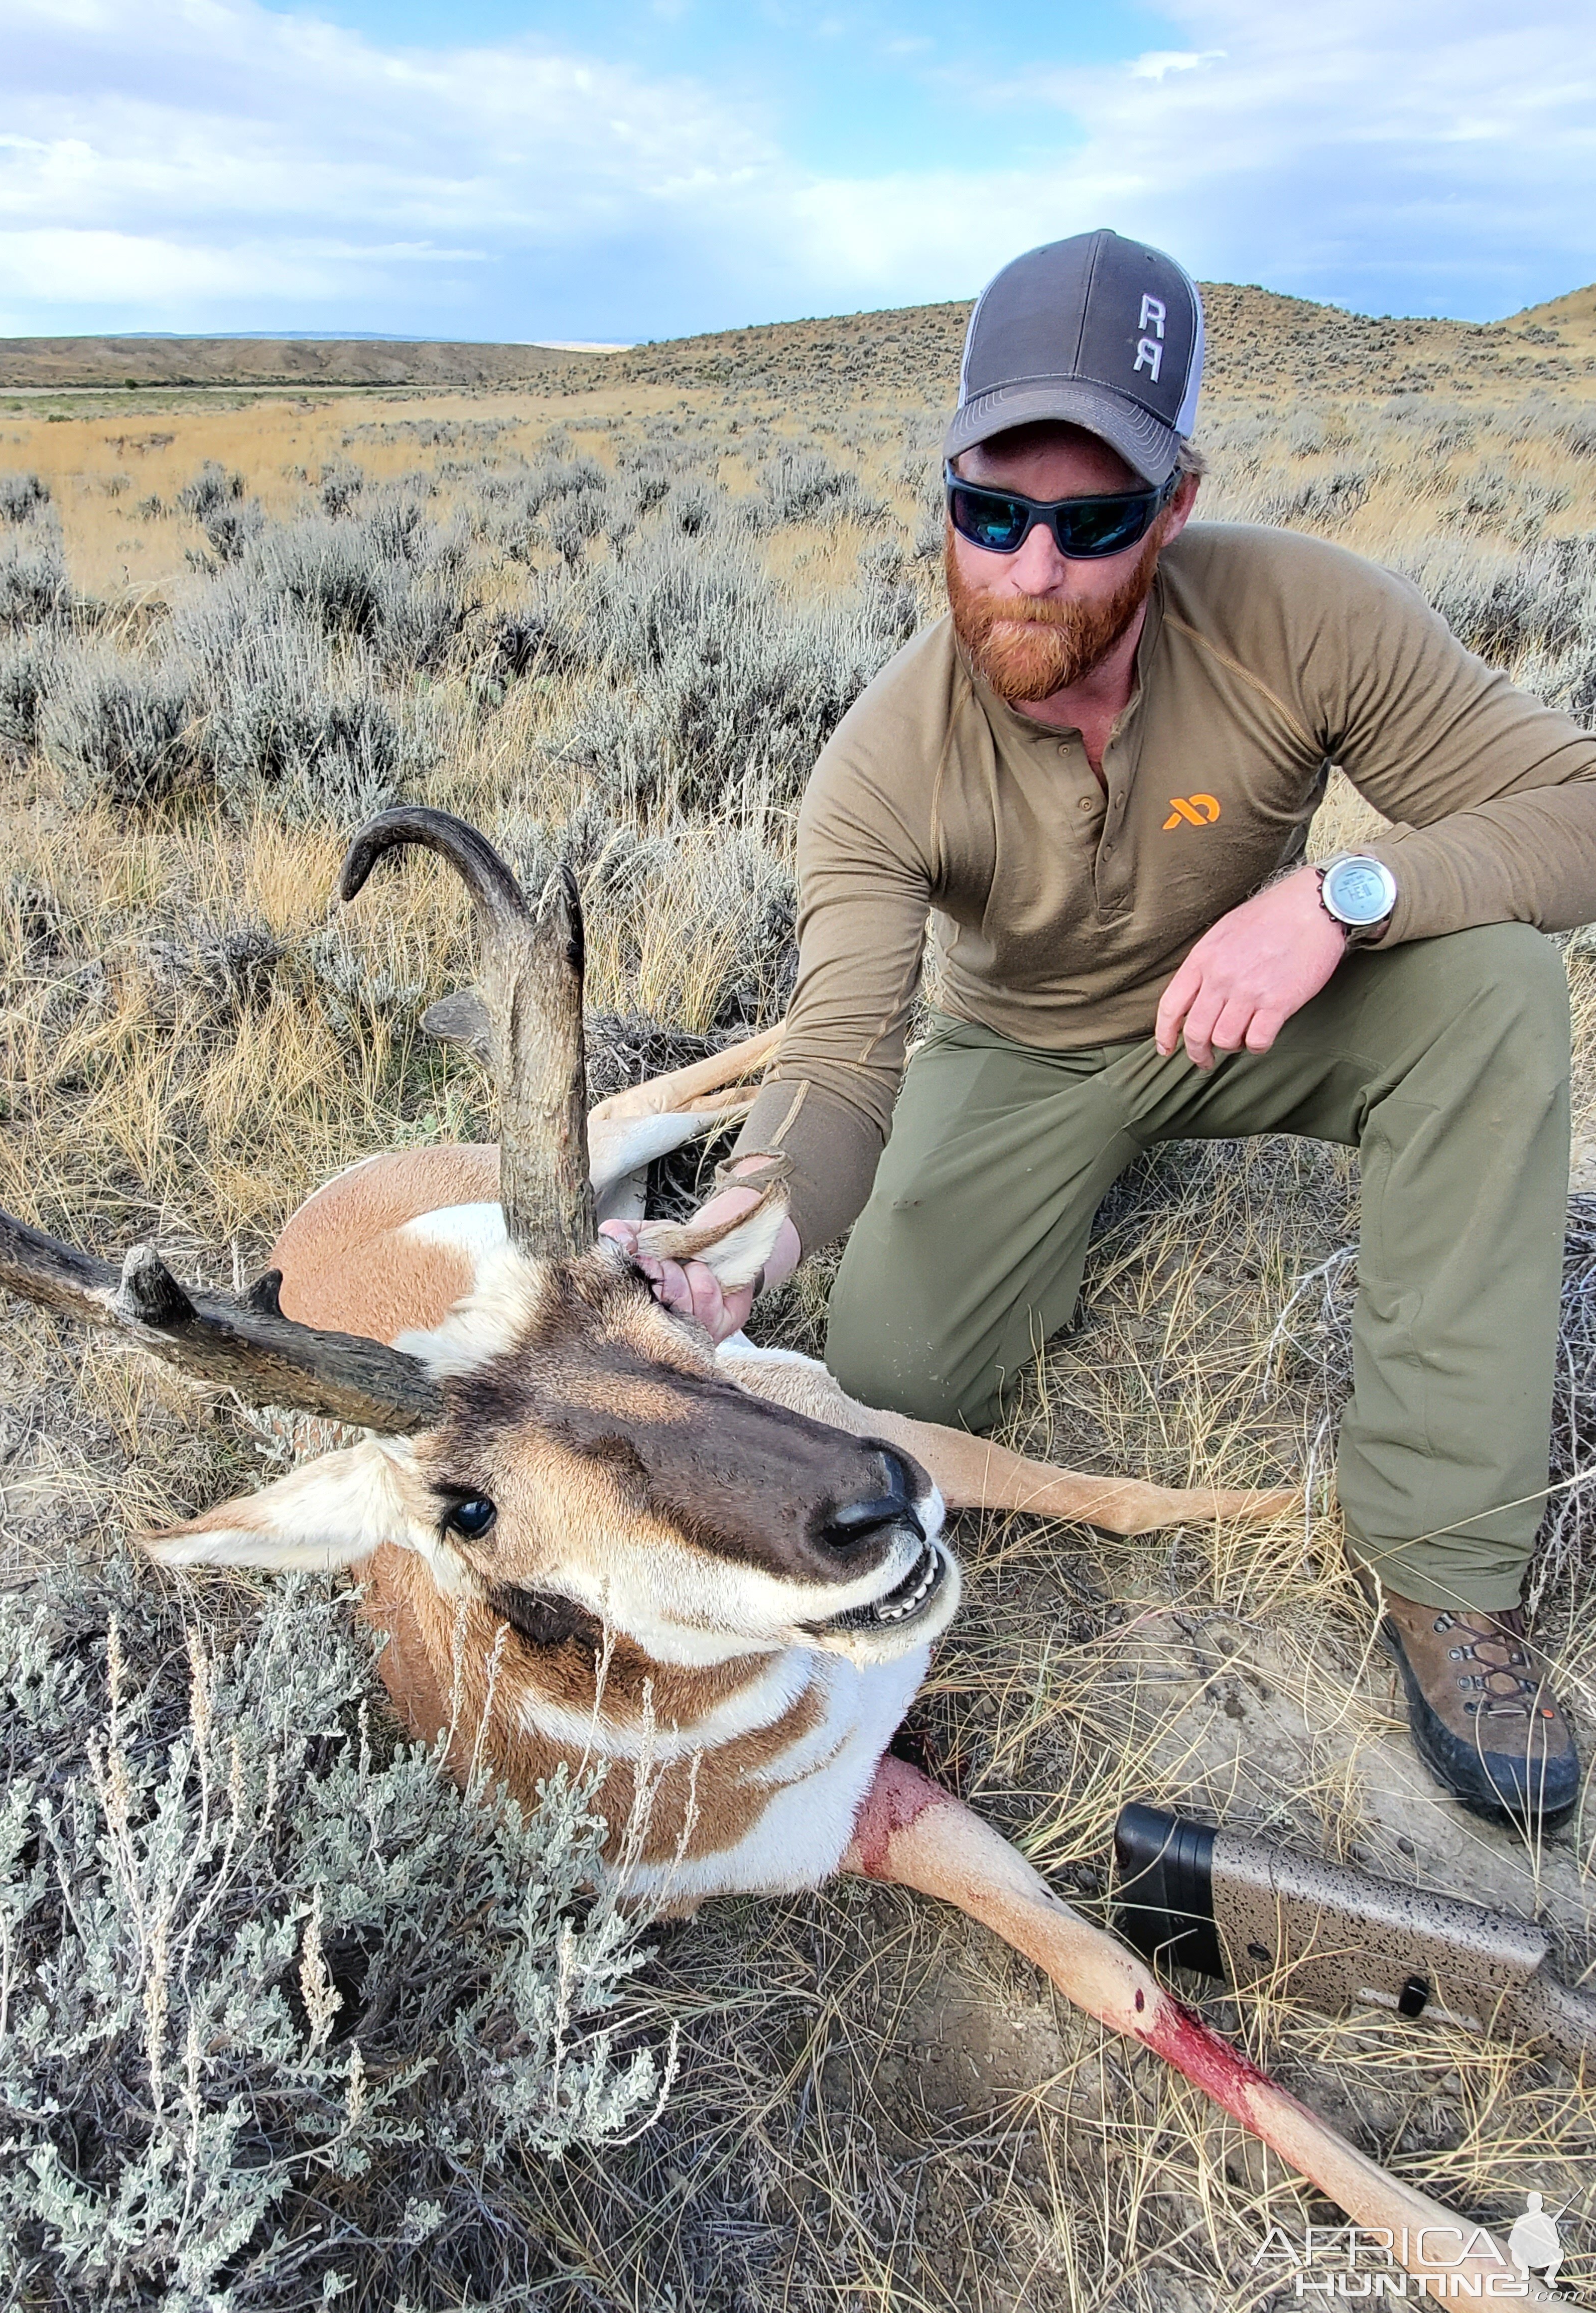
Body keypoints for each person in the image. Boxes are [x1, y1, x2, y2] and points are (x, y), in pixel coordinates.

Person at [606, 229, 1596, 1833]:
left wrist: (1341, 896)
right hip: (1022, 1059)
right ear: (945, 489)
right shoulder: (881, 766)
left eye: (1091, 520)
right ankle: (1067, 1191)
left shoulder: (1302, 617)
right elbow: (848, 1048)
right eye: (989, 513)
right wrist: (743, 1242)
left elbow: (1574, 809)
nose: (1032, 567)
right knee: (893, 1369)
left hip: (1253, 1006)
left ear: (1177, 505)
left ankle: (1449, 1570)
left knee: (1489, 988)